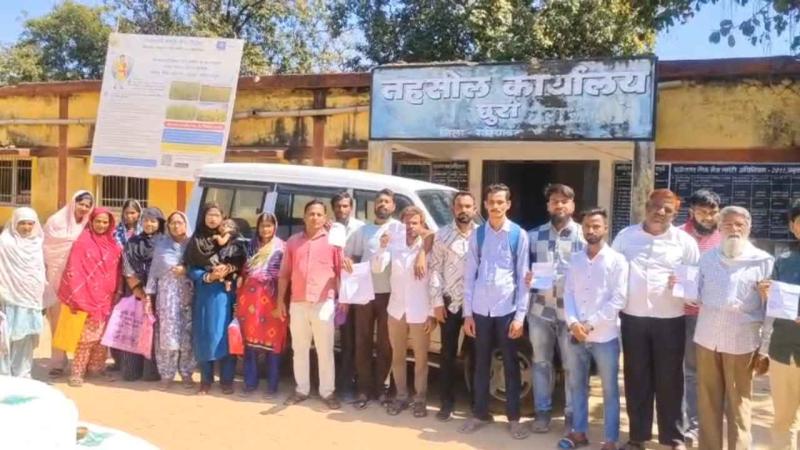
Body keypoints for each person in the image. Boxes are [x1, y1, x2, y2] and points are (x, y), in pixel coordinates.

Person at [612, 189, 700, 450]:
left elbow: (694, 286)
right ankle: (637, 437)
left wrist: (683, 286)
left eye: (667, 209)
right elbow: (611, 272)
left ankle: (673, 438)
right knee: (636, 377)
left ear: (676, 213)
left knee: (670, 380)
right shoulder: (625, 237)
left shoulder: (685, 242)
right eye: (656, 206)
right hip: (633, 318)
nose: (660, 212)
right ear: (646, 206)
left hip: (670, 319)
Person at [693, 206, 772, 450]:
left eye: (739, 225)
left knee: (739, 404)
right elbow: (695, 295)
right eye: (727, 224)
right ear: (719, 228)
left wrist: (765, 348)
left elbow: (772, 310)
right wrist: (680, 286)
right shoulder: (706, 258)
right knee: (707, 402)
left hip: (742, 342)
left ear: (748, 228)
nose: (734, 229)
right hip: (707, 338)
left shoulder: (763, 261)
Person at [459, 184, 530, 440]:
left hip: (506, 310)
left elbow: (523, 278)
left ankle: (514, 418)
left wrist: (520, 317)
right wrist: (467, 314)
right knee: (480, 364)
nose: (496, 206)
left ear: (508, 204)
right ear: (485, 205)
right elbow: (469, 275)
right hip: (480, 310)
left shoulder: (518, 235)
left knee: (510, 364)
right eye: (492, 202)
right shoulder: (478, 235)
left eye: (501, 202)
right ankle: (480, 414)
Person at [560, 208, 628, 450]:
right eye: (587, 226)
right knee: (577, 386)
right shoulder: (575, 259)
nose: (591, 230)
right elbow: (568, 293)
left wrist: (589, 324)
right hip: (576, 335)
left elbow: (619, 299)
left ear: (606, 229)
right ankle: (579, 432)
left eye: (596, 226)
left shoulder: (617, 260)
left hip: (605, 336)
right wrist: (573, 323)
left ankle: (610, 440)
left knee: (610, 390)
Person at [526, 183, 585, 433]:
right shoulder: (533, 236)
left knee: (572, 366)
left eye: (564, 201)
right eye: (554, 201)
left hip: (572, 315)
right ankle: (542, 413)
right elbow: (522, 271)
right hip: (540, 312)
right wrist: (527, 277)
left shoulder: (585, 236)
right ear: (548, 206)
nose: (559, 205)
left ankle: (571, 415)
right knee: (541, 363)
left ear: (572, 205)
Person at [278, 200, 347, 410]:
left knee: (325, 349)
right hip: (298, 302)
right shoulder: (293, 242)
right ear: (304, 216)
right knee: (299, 348)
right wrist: (280, 300)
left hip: (323, 302)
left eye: (319, 214)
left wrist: (343, 299)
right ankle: (301, 389)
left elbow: (341, 271)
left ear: (325, 218)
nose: (315, 217)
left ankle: (327, 391)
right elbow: (284, 274)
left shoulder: (333, 242)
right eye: (311, 214)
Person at [373, 206, 440, 418]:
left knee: (421, 358)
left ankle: (420, 399)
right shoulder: (394, 245)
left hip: (420, 310)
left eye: (415, 223)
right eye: (407, 223)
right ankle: (401, 396)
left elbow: (435, 281)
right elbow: (377, 268)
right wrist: (382, 247)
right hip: (396, 310)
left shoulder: (429, 247)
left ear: (421, 224)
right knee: (398, 356)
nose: (410, 227)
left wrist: (432, 313)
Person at [344, 189, 399, 409]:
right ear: (374, 206)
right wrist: (349, 261)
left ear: (393, 206)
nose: (382, 205)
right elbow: (351, 254)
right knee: (363, 341)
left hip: (390, 293)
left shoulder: (399, 229)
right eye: (379, 202)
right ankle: (363, 389)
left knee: (386, 343)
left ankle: (381, 389)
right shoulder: (363, 230)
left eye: (387, 201)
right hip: (364, 293)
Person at [58, 208, 122, 387]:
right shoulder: (82, 242)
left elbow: (117, 270)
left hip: (106, 298)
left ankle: (96, 369)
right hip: (85, 297)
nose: (101, 225)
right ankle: (77, 372)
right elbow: (73, 269)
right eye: (98, 221)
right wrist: (78, 295)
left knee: (102, 338)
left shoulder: (113, 245)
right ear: (91, 222)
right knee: (85, 339)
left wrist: (116, 292)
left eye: (105, 222)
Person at [428, 191, 478, 421]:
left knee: (476, 355)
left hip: (475, 305)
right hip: (449, 304)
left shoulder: (482, 235)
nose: (463, 210)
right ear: (453, 209)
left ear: (475, 209)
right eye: (459, 206)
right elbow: (435, 270)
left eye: (468, 206)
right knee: (447, 354)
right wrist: (437, 303)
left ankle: (476, 405)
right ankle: (446, 403)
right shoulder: (442, 235)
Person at [677, 189, 722, 443]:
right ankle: (686, 425)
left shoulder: (724, 237)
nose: (708, 217)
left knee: (707, 373)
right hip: (678, 314)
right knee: (685, 372)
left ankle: (700, 424)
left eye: (713, 212)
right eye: (702, 211)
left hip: (712, 316)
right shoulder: (677, 235)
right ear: (691, 211)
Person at [185, 203, 242, 395]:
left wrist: (228, 269)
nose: (212, 218)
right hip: (206, 294)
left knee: (226, 335)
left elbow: (240, 261)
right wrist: (207, 276)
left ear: (222, 218)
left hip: (226, 295)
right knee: (205, 335)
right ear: (203, 217)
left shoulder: (231, 239)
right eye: (209, 214)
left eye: (217, 215)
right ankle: (206, 380)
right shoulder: (196, 240)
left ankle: (226, 380)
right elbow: (190, 268)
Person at [758, 199, 800, 450]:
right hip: (784, 350)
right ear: (793, 227)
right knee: (784, 419)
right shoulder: (783, 260)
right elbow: (773, 306)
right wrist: (766, 294)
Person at [43, 190, 94, 378]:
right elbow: (47, 249)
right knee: (57, 319)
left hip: (80, 280)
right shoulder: (56, 222)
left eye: (88, 206)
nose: (84, 208)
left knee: (79, 321)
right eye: (81, 204)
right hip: (56, 277)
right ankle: (58, 361)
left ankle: (80, 363)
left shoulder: (89, 224)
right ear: (73, 202)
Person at [236, 213, 286, 399]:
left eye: (269, 225)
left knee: (273, 343)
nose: (265, 229)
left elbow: (285, 274)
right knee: (250, 342)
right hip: (249, 298)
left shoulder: (282, 247)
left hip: (272, 298)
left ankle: (272, 386)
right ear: (257, 227)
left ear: (275, 227)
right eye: (262, 226)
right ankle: (250, 383)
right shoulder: (250, 246)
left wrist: (281, 300)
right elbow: (244, 269)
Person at [146, 211, 196, 390]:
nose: (176, 226)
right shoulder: (161, 246)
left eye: (179, 222)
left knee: (188, 335)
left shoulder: (193, 245)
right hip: (167, 296)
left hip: (189, 294)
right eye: (172, 223)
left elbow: (201, 266)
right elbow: (154, 272)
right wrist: (149, 295)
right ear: (168, 226)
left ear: (186, 225)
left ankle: (187, 373)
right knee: (167, 335)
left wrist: (186, 269)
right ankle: (166, 374)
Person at [119, 208, 165, 382]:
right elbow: (127, 267)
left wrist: (152, 292)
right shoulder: (133, 242)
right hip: (136, 293)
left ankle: (151, 372)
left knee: (153, 331)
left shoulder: (164, 242)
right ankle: (131, 370)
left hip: (159, 294)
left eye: (153, 221)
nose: (149, 224)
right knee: (134, 328)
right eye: (146, 220)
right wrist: (138, 290)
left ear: (160, 223)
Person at [0, 208, 46, 378]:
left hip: (31, 299)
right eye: (22, 223)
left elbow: (41, 270)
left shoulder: (38, 243)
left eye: (30, 224)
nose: (26, 227)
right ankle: (4, 375)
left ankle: (22, 374)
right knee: (6, 337)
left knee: (26, 337)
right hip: (8, 298)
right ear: (14, 223)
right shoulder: (5, 243)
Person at [331, 191, 364, 400]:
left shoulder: (360, 228)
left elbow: (361, 257)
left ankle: (349, 385)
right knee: (331, 340)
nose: (342, 209)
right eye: (338, 206)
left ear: (351, 207)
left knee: (352, 340)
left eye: (345, 206)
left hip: (352, 291)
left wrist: (350, 260)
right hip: (329, 289)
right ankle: (329, 384)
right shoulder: (328, 228)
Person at [209, 218, 248, 292]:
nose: (223, 228)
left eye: (225, 226)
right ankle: (228, 283)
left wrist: (218, 237)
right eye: (222, 226)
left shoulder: (229, 233)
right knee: (230, 267)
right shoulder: (235, 234)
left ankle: (228, 281)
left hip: (234, 254)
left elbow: (222, 242)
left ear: (231, 227)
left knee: (228, 265)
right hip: (236, 255)